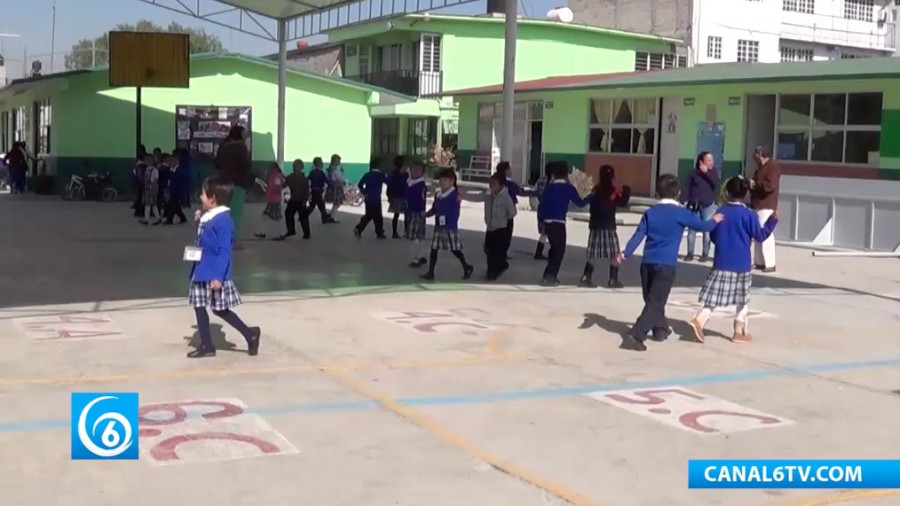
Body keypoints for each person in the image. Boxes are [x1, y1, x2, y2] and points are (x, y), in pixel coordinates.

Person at [615, 174, 724, 352]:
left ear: (658, 193)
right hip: (666, 264)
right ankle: (636, 334)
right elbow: (702, 226)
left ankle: (660, 329)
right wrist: (715, 220)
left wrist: (624, 254)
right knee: (656, 301)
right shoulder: (681, 213)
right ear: (678, 193)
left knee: (652, 300)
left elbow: (638, 236)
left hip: (647, 263)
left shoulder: (650, 213)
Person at [689, 176, 779, 344]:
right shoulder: (749, 215)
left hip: (722, 260)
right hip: (741, 263)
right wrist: (772, 221)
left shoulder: (720, 212)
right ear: (745, 194)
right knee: (742, 298)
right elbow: (760, 236)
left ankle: (700, 318)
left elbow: (713, 235)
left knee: (714, 297)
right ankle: (739, 330)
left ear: (728, 192)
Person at [186, 176, 261, 359]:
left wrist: (218, 277)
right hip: (201, 269)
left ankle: (250, 334)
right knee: (199, 305)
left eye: (203, 194)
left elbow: (224, 251)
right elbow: (205, 237)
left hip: (213, 273)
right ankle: (207, 345)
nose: (200, 197)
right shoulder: (209, 216)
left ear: (213, 198)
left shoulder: (224, 221)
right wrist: (198, 221)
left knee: (219, 309)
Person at [536, 161, 590, 287]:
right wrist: (590, 196)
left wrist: (540, 222)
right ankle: (550, 276)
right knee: (559, 251)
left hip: (547, 223)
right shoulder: (568, 188)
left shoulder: (549, 187)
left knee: (554, 249)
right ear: (566, 174)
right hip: (559, 223)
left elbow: (542, 205)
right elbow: (580, 203)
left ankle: (549, 274)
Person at [580, 165, 631, 289]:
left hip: (595, 226)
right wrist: (626, 190)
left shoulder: (595, 190)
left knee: (592, 254)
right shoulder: (612, 191)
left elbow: (590, 201)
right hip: (609, 226)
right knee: (614, 254)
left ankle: (586, 277)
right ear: (612, 176)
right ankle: (613, 280)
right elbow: (622, 203)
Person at [422, 168, 474, 281]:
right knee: (434, 249)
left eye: (445, 180)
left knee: (455, 249)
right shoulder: (438, 194)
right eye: (441, 179)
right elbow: (434, 209)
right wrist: (426, 214)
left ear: (451, 181)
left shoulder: (455, 195)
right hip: (439, 226)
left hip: (449, 226)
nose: (442, 182)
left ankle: (467, 267)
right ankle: (431, 272)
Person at [215, 125, 254, 244]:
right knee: (235, 213)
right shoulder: (241, 147)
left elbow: (217, 164)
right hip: (238, 184)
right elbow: (246, 166)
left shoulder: (223, 146)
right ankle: (231, 239)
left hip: (222, 183)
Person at [682, 151, 721, 262]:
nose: (711, 163)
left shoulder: (713, 172)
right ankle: (690, 253)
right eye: (708, 161)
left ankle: (705, 253)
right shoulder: (693, 173)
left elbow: (717, 184)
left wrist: (706, 173)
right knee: (692, 230)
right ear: (701, 162)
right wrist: (684, 200)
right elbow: (687, 187)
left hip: (708, 205)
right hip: (694, 205)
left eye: (712, 160)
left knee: (707, 230)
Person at [750, 146, 781, 273]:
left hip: (766, 204)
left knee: (766, 233)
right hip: (757, 204)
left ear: (761, 154)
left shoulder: (772, 167)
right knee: (757, 232)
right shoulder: (760, 168)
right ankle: (759, 262)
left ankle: (770, 263)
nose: (755, 159)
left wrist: (755, 184)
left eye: (756, 156)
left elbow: (770, 185)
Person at [483, 173, 517, 281]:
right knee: (488, 249)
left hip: (501, 228)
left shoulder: (506, 198)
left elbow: (512, 213)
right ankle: (492, 269)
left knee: (498, 251)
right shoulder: (488, 196)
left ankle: (495, 270)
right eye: (490, 183)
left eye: (494, 183)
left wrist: (503, 219)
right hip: (490, 227)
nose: (491, 185)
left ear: (501, 185)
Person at [354, 156, 388, 239]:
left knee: (369, 214)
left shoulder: (367, 175)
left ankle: (360, 228)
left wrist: (364, 192)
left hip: (368, 198)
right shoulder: (381, 175)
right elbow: (389, 182)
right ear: (379, 166)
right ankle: (377, 232)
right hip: (376, 198)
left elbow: (360, 184)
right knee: (377, 216)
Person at [279, 159, 311, 240]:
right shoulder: (300, 178)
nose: (296, 167)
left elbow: (306, 191)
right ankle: (303, 233)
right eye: (296, 166)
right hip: (296, 199)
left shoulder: (293, 177)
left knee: (298, 216)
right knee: (295, 215)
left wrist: (305, 200)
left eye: (297, 166)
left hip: (298, 200)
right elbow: (283, 185)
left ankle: (295, 231)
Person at [405, 160, 429, 267]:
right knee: (419, 236)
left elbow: (422, 199)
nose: (415, 171)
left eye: (418, 170)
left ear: (422, 173)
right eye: (413, 169)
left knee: (414, 236)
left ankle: (417, 258)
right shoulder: (410, 181)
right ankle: (421, 256)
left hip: (417, 212)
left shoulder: (420, 185)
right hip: (411, 211)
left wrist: (422, 210)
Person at [253, 163, 285, 240]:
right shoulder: (274, 176)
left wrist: (269, 190)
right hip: (273, 199)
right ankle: (263, 232)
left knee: (275, 217)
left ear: (274, 168)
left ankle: (279, 234)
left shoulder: (276, 177)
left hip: (274, 200)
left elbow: (277, 187)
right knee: (266, 215)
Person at [496, 161, 520, 259]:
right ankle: (502, 252)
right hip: (508, 213)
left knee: (498, 232)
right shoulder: (511, 184)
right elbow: (520, 191)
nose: (511, 170)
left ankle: (497, 251)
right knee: (507, 233)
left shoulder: (496, 182)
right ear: (505, 171)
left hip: (497, 211)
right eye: (509, 168)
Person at [161, 153, 188, 225]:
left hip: (177, 190)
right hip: (171, 189)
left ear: (176, 161)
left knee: (172, 204)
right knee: (175, 205)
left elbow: (182, 181)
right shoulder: (170, 169)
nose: (170, 162)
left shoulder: (180, 170)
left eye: (172, 161)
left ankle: (170, 219)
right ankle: (182, 217)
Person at [387, 155, 409, 239]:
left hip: (396, 196)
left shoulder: (392, 174)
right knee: (405, 215)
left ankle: (395, 232)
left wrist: (389, 196)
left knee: (397, 215)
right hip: (402, 196)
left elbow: (389, 185)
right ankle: (405, 232)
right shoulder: (405, 175)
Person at [532, 162, 551, 260]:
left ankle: (539, 252)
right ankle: (541, 252)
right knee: (549, 231)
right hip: (550, 208)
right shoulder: (552, 182)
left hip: (541, 206)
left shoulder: (541, 179)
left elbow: (536, 191)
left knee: (544, 231)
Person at [308, 156, 331, 224]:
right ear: (317, 164)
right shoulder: (321, 172)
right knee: (320, 205)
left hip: (313, 190)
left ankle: (303, 215)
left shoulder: (312, 172)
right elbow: (326, 180)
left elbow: (308, 179)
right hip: (319, 190)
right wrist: (331, 183)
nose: (322, 164)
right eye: (321, 162)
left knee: (314, 204)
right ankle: (324, 218)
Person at [139, 154, 159, 225]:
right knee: (153, 205)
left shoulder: (155, 170)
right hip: (147, 187)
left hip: (152, 188)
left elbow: (155, 181)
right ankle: (158, 218)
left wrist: (154, 190)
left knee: (148, 204)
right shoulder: (147, 169)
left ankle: (147, 219)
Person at [326, 154, 346, 223]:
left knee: (337, 202)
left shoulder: (330, 169)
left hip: (332, 187)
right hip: (337, 187)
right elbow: (340, 178)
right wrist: (343, 181)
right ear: (334, 161)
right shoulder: (336, 169)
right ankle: (331, 216)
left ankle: (330, 214)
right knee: (337, 202)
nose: (339, 162)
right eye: (338, 160)